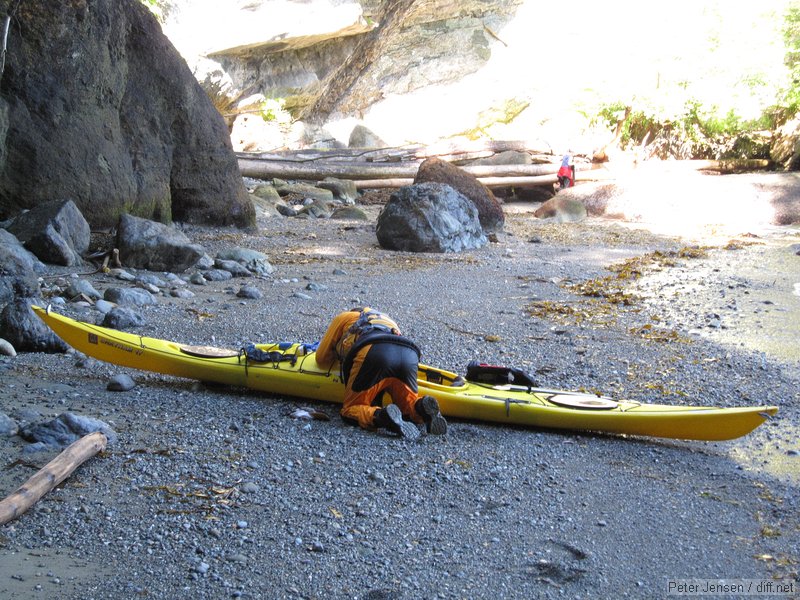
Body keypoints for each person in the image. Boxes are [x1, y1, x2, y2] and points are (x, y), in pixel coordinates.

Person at [315, 307, 447, 439]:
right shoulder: (388, 319)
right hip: (408, 356)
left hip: (374, 352)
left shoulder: (345, 317)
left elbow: (321, 358)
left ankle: (382, 416)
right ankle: (421, 409)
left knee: (350, 410)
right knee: (408, 406)